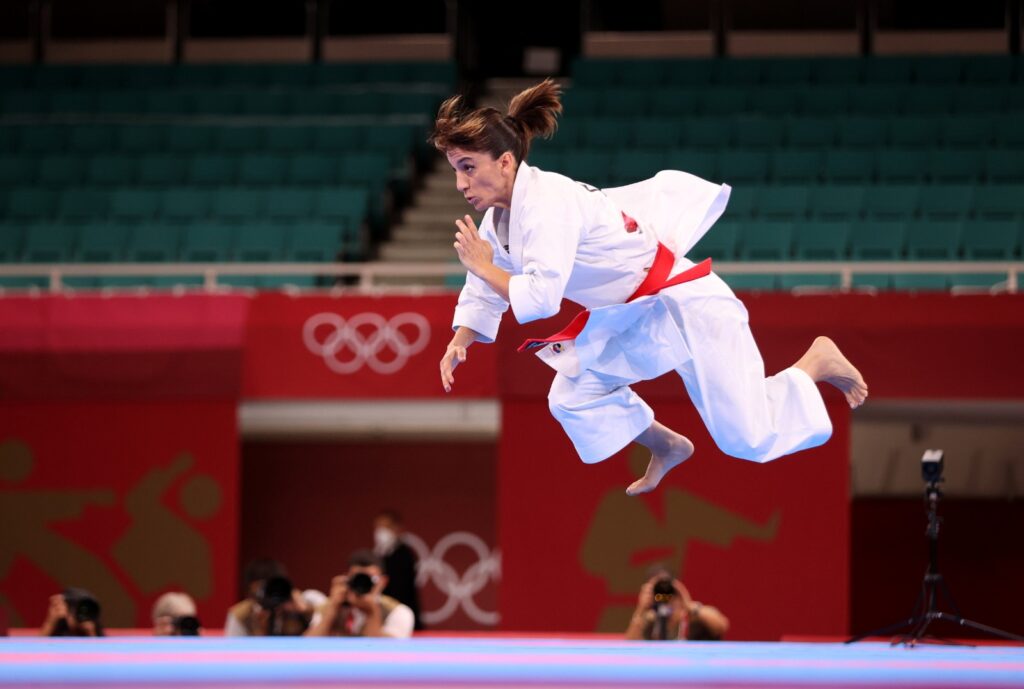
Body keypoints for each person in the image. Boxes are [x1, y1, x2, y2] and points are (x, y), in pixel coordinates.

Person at [432, 79, 868, 494]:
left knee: (748, 438)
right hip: (637, 316)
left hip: (687, 302)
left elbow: (540, 297)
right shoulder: (501, 220)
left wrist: (483, 266)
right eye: (455, 170)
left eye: (468, 168)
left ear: (505, 161)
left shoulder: (549, 202)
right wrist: (461, 338)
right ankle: (667, 445)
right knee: (571, 395)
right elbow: (484, 287)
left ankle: (816, 362)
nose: (461, 184)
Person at [305, 549, 415, 638]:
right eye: (357, 579)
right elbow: (307, 647)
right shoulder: (330, 605)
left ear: (383, 582)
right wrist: (332, 609)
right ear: (348, 579)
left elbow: (388, 653)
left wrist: (372, 612)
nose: (362, 585)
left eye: (370, 580)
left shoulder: (398, 612)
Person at [625, 570, 729, 641]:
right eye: (658, 592)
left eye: (669, 591)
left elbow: (721, 626)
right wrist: (641, 609)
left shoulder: (694, 618)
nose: (664, 596)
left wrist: (688, 604)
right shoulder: (649, 623)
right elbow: (630, 646)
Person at [224, 558, 312, 636]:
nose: (268, 594)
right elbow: (234, 648)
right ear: (249, 591)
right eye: (261, 590)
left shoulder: (306, 602)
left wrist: (306, 612)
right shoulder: (241, 614)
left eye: (273, 589)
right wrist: (260, 630)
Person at [373, 509, 423, 629]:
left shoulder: (404, 554)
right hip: (382, 617)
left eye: (386, 527)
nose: (381, 531)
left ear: (396, 528)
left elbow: (401, 589)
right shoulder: (377, 554)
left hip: (402, 616)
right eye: (378, 527)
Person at [40, 588, 104, 637]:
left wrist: (91, 633)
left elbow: (100, 650)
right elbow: (38, 648)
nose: (81, 614)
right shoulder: (58, 626)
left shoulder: (93, 625)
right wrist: (51, 622)